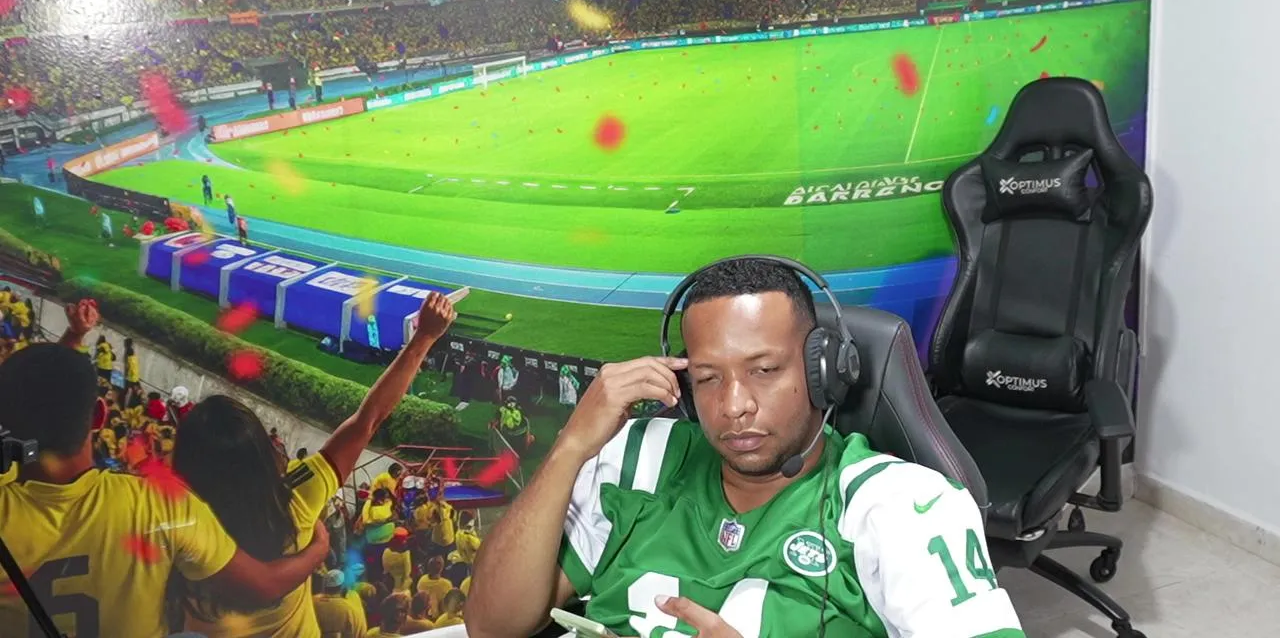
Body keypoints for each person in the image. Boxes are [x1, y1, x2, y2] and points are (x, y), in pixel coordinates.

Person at [466, 258, 1024, 637]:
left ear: (824, 372)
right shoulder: (637, 459)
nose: (734, 405)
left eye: (764, 370)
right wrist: (570, 447)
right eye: (708, 378)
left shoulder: (899, 506)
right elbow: (492, 625)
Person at [0, 299, 330, 637]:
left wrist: (72, 338)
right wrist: (317, 551)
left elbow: (41, 406)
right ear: (99, 416)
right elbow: (261, 586)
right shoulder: (162, 505)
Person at [169, 292, 458, 637]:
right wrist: (424, 337)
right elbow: (368, 419)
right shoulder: (296, 495)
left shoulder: (171, 524)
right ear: (262, 452)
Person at [313, 568, 368, 638]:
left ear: (324, 586)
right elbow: (361, 633)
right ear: (343, 587)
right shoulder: (351, 609)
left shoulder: (312, 604)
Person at [124, 337, 141, 404]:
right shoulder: (132, 352)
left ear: (126, 343)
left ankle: (128, 403)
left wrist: (125, 375)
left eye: (125, 342)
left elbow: (127, 365)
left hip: (131, 376)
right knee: (135, 391)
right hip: (135, 375)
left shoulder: (127, 351)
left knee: (127, 390)